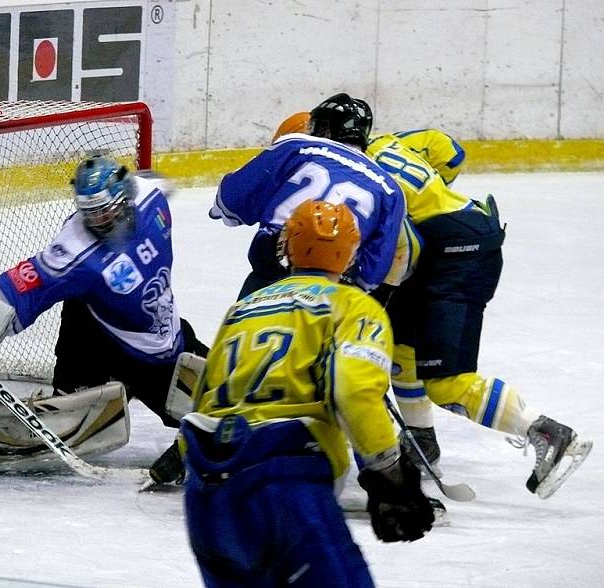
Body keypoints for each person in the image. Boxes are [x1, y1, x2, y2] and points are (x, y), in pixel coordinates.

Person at [180, 200, 434, 587]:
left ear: (288, 247)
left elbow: (200, 396)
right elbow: (354, 390)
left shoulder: (243, 309)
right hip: (285, 485)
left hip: (207, 497)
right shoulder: (352, 305)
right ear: (351, 254)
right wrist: (390, 475)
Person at [0, 155, 208, 476]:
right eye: (90, 213)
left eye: (104, 210)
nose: (97, 220)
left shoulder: (148, 194)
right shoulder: (74, 249)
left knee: (230, 405)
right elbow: (20, 285)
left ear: (124, 196)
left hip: (168, 340)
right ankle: (73, 393)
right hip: (110, 344)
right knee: (80, 304)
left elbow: (154, 180)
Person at [363, 128, 592, 497]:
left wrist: (373, 296)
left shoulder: (360, 178)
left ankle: (547, 432)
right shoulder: (386, 141)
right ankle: (423, 446)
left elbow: (403, 251)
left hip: (456, 258)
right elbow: (448, 150)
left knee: (447, 381)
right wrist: (435, 197)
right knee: (403, 347)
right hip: (458, 237)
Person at [209, 93, 410, 300]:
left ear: (328, 128)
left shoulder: (296, 145)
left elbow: (230, 202)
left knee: (249, 328)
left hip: (273, 269)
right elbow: (372, 274)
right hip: (334, 286)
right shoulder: (391, 189)